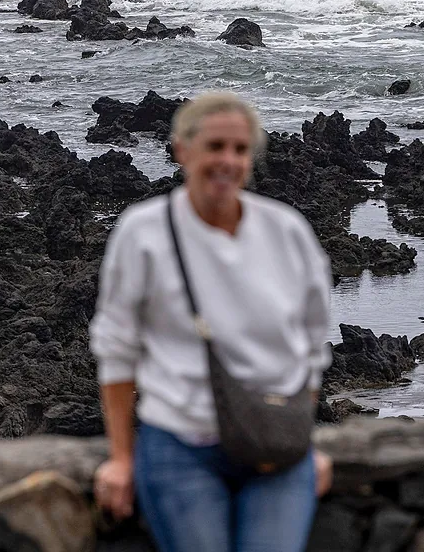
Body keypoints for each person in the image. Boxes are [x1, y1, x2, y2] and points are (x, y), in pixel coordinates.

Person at [90, 91, 334, 552]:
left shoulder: (288, 232)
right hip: (181, 448)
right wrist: (121, 459)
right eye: (215, 146)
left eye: (240, 150)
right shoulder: (144, 232)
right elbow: (117, 351)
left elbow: (311, 346)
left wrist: (302, 438)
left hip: (275, 456)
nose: (228, 160)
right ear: (183, 150)